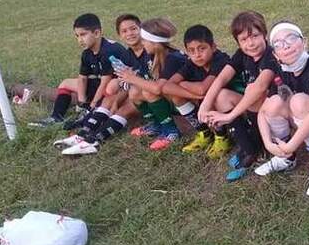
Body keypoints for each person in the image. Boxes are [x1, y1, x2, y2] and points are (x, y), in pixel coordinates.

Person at [255, 22, 309, 196]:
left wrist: (291, 145)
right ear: (275, 54)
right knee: (274, 103)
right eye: (279, 44)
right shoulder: (282, 68)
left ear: (305, 43)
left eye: (291, 38)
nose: (286, 46)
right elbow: (263, 111)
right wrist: (269, 143)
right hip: (305, 125)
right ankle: (286, 158)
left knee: (298, 101)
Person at [198, 11, 279, 181]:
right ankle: (248, 148)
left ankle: (259, 146)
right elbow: (222, 77)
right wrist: (205, 104)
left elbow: (260, 87)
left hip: (275, 113)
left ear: (264, 34)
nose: (250, 43)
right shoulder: (242, 54)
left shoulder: (271, 55)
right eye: (243, 39)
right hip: (254, 110)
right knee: (221, 95)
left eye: (255, 36)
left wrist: (229, 116)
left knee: (252, 90)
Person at [56, 14, 147, 155]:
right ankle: (84, 135)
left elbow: (151, 81)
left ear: (141, 29)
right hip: (137, 89)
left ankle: (96, 140)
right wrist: (117, 100)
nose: (129, 34)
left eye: (133, 29)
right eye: (124, 31)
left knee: (125, 102)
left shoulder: (150, 48)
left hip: (151, 93)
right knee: (110, 100)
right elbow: (129, 81)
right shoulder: (130, 53)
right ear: (120, 35)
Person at [29, 13, 132, 129]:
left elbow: (105, 82)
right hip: (102, 85)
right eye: (77, 36)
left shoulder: (109, 50)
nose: (80, 40)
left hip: (120, 89)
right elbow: (82, 78)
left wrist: (92, 104)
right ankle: (56, 117)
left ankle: (95, 112)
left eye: (83, 35)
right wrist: (82, 102)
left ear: (97, 33)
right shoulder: (87, 52)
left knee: (111, 86)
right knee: (65, 83)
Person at [112, 18, 187, 151]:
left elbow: (158, 89)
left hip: (184, 101)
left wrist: (133, 78)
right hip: (170, 98)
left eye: (144, 40)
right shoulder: (151, 56)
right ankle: (156, 125)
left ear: (154, 42)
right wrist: (129, 77)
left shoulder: (173, 58)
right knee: (134, 92)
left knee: (149, 91)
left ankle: (171, 131)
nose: (142, 43)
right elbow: (144, 78)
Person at [163, 24, 234, 159]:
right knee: (176, 95)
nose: (197, 55)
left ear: (213, 47)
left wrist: (184, 84)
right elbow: (166, 86)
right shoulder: (191, 63)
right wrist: (196, 95)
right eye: (191, 51)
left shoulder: (221, 59)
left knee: (212, 96)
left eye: (202, 49)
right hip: (207, 101)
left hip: (232, 102)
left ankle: (222, 137)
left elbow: (204, 88)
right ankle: (204, 133)